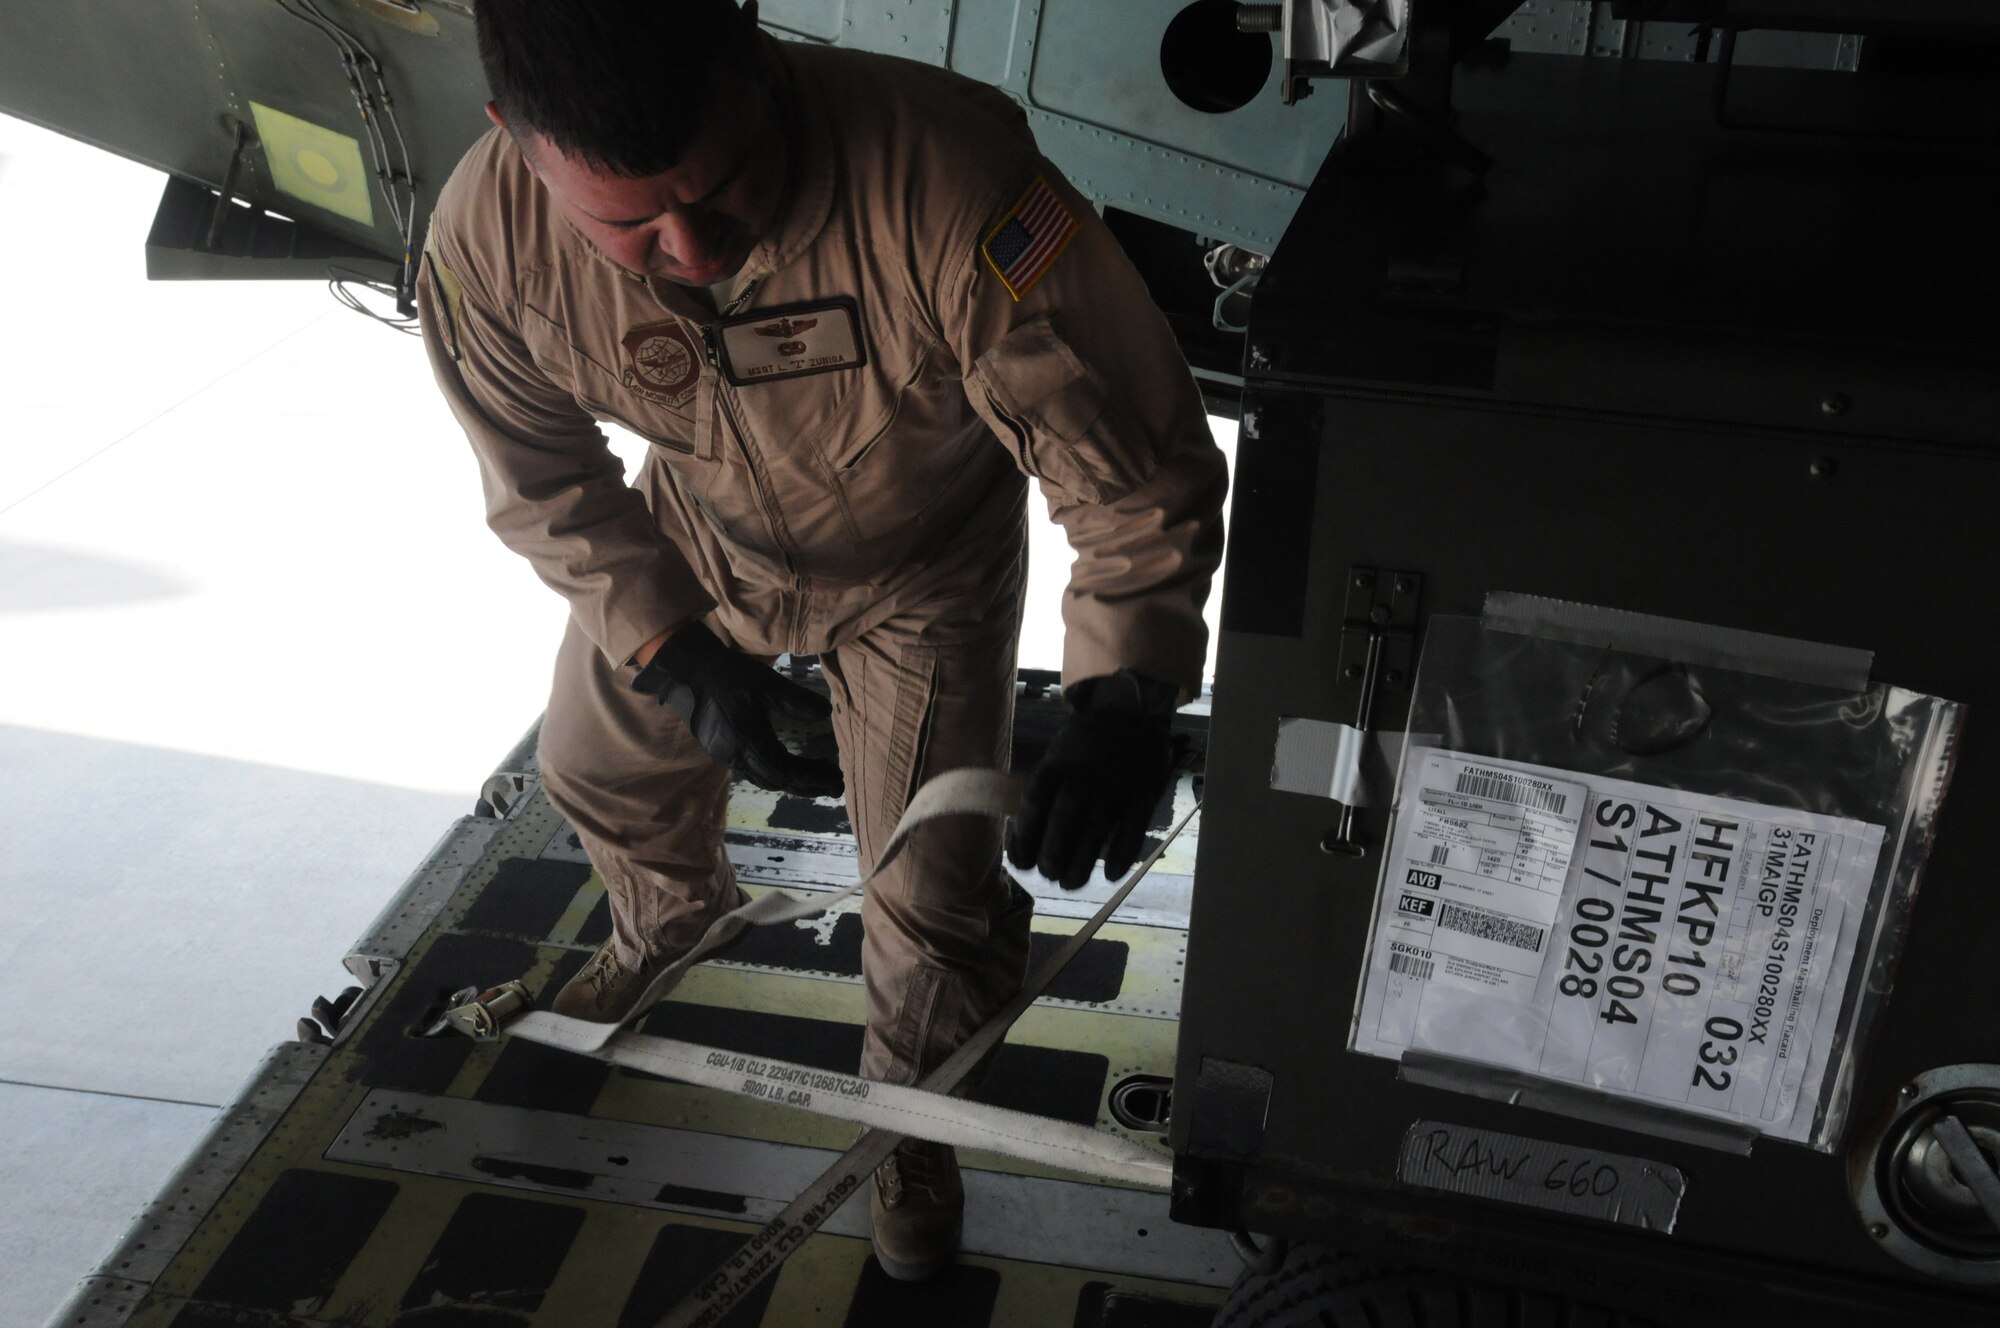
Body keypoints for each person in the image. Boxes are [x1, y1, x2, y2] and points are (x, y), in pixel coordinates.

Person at [419, 0, 1226, 1282]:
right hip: (700, 542)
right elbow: (540, 475)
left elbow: (1129, 470)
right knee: (594, 765)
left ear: (752, 51)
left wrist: (1125, 696)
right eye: (627, 225)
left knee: (930, 898)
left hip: (924, 563)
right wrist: (669, 645)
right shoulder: (486, 234)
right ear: (514, 141)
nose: (686, 250)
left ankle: (910, 1121)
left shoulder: (951, 181)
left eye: (719, 189)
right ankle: (667, 918)